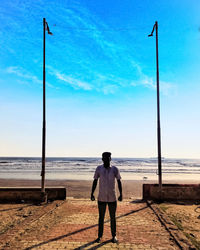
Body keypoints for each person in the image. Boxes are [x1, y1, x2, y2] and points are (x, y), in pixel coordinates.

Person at [91, 152, 122, 243]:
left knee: (113, 217)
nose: (106, 159)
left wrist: (121, 194)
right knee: (101, 217)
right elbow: (95, 181)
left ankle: (114, 236)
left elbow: (119, 181)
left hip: (112, 197)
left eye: (108, 157)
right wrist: (92, 193)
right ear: (102, 159)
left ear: (110, 159)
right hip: (101, 197)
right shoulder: (99, 168)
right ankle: (100, 236)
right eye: (105, 158)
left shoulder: (115, 169)